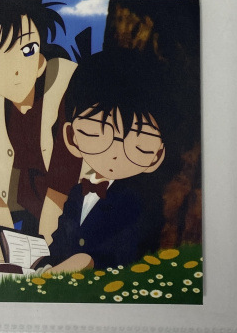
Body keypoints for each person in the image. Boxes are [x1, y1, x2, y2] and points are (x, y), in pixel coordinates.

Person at [0, 0, 80, 252]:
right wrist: (9, 261)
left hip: (69, 198)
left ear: (40, 59)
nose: (15, 70)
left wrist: (45, 255)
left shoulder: (66, 86)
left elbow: (59, 191)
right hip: (18, 196)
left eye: (27, 50)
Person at [46, 40, 172, 273]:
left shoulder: (137, 203)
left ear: (157, 155)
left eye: (139, 144)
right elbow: (59, 243)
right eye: (96, 133)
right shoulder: (77, 193)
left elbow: (125, 253)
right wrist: (43, 263)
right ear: (72, 137)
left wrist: (87, 262)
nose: (115, 152)